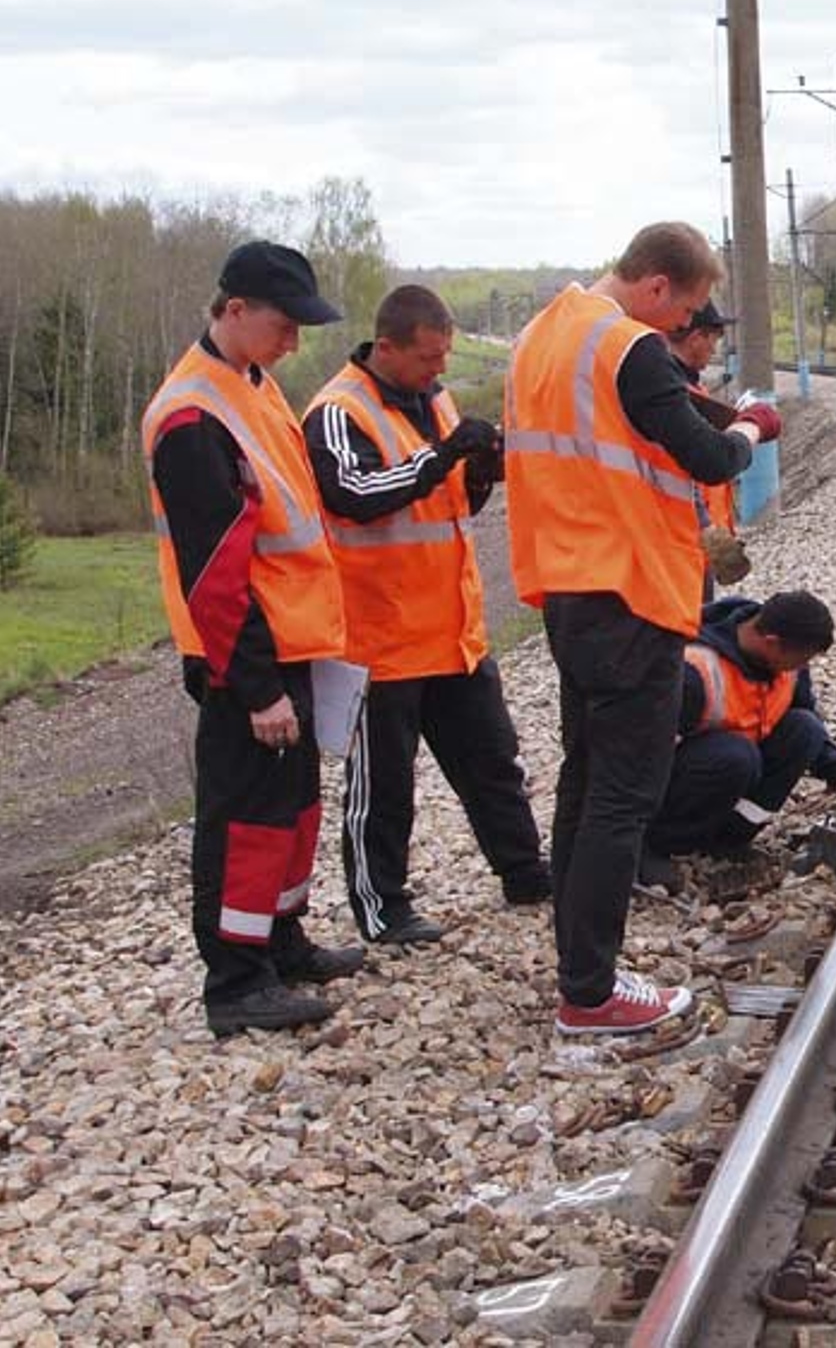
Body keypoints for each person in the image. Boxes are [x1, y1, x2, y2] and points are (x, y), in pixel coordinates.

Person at [504, 222, 783, 1036]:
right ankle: (590, 993)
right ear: (657, 286)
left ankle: (580, 968)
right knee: (623, 794)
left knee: (586, 780)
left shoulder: (544, 335)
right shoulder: (627, 346)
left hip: (567, 584)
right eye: (687, 308)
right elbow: (707, 457)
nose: (682, 326)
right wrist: (750, 428)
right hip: (628, 587)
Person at [141, 242, 364, 1037]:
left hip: (292, 641)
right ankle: (236, 982)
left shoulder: (251, 384)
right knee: (245, 818)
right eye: (284, 325)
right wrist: (257, 683)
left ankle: (280, 940)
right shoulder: (193, 417)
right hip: (247, 656)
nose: (294, 342)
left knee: (292, 806)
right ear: (233, 311)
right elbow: (214, 574)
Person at [302, 285, 550, 947]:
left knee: (494, 760)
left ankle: (524, 870)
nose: (439, 371)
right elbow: (353, 494)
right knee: (384, 787)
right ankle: (383, 906)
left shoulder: (433, 399)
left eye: (443, 357)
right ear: (387, 347)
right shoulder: (335, 411)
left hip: (452, 631)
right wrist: (440, 456)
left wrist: (479, 469)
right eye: (428, 358)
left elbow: (448, 506)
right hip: (378, 640)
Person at [640, 592, 836, 885]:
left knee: (805, 729)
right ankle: (658, 845)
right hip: (679, 775)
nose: (800, 667)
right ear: (772, 643)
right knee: (738, 756)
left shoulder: (785, 663)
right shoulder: (695, 669)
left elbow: (802, 709)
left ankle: (727, 840)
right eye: (800, 659)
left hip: (732, 764)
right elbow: (642, 754)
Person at [667, 300, 747, 593]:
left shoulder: (686, 389)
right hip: (683, 546)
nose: (715, 349)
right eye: (714, 340)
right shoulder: (673, 397)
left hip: (696, 544)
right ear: (696, 337)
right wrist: (707, 530)